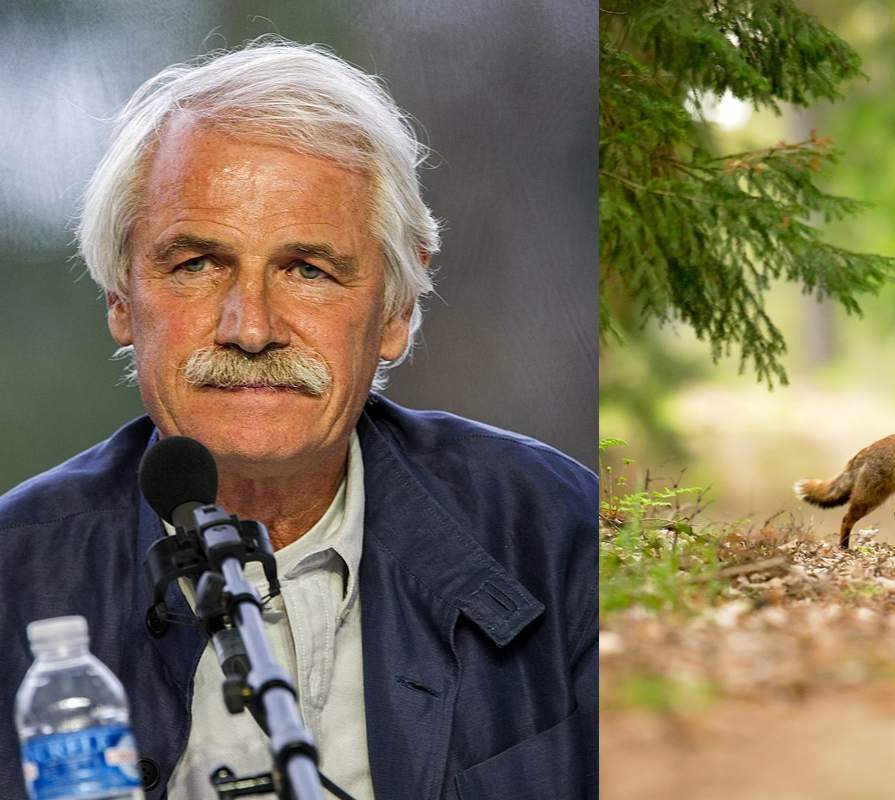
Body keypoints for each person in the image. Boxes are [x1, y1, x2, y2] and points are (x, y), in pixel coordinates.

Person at [0, 39, 597, 800]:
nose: (251, 328)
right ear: (121, 298)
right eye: (196, 265)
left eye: (308, 270)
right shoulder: (13, 574)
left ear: (397, 309)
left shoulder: (558, 535)